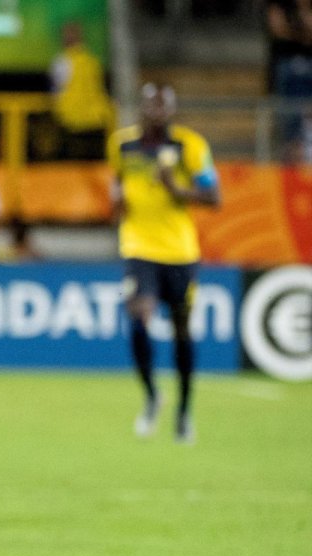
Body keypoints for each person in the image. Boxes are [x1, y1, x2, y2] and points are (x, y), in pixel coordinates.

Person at [107, 83, 221, 444]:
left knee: (182, 331)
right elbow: (118, 184)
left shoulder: (189, 146)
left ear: (171, 109)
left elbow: (213, 196)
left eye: (163, 105)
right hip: (138, 246)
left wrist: (177, 190)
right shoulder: (122, 145)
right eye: (150, 104)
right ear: (141, 108)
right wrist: (117, 200)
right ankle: (153, 395)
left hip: (179, 251)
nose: (156, 111)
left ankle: (184, 410)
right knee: (138, 317)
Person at [48, 20, 112, 160]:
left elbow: (55, 89)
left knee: (72, 167)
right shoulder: (93, 61)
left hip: (71, 122)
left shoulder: (61, 62)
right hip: (96, 121)